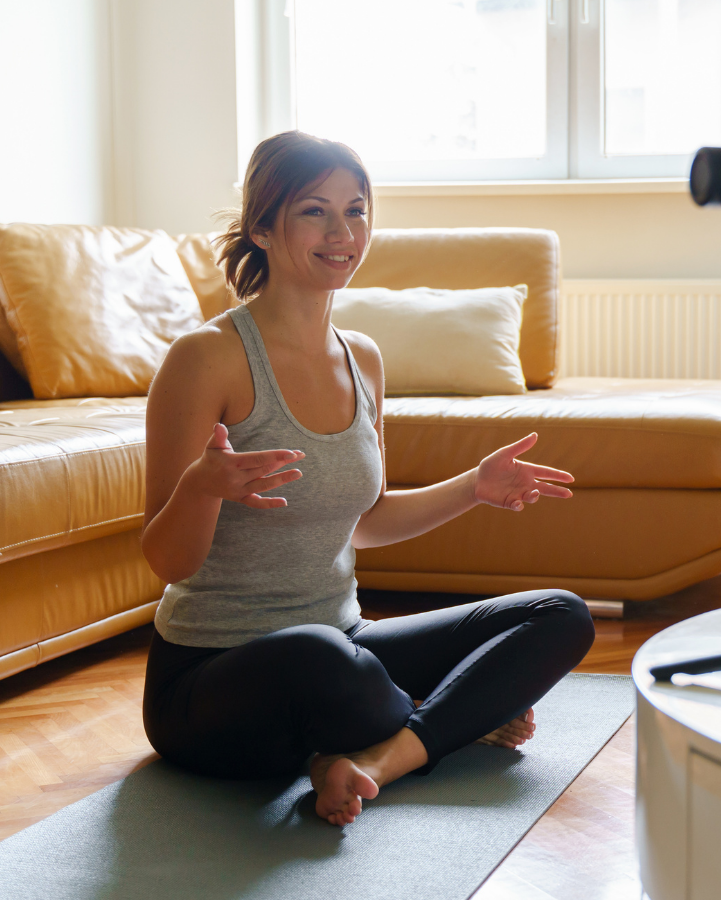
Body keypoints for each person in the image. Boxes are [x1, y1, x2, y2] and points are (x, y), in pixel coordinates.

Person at [139, 131, 595, 827]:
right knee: (317, 655)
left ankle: (375, 758)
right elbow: (165, 561)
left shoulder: (364, 358)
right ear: (262, 227)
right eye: (313, 211)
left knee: (560, 614)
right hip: (211, 677)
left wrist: (473, 485)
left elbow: (369, 520)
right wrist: (203, 489)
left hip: (342, 641)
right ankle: (442, 721)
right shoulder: (207, 359)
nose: (342, 232)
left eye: (356, 210)